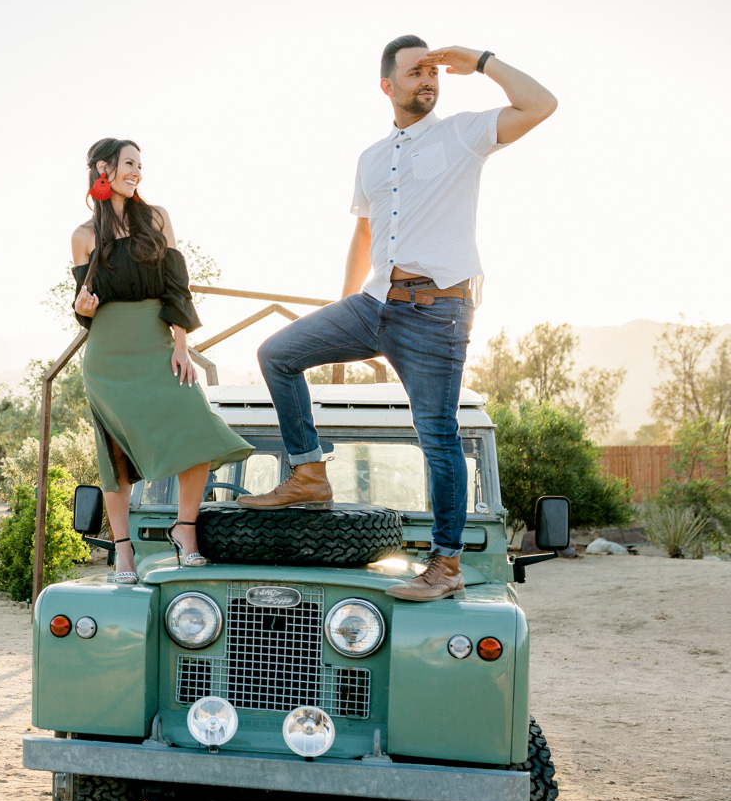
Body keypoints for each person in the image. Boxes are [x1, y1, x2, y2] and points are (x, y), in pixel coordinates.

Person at [238, 36, 557, 601]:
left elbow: (541, 104)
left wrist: (480, 62)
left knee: (438, 437)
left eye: (432, 71)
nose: (428, 79)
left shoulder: (463, 132)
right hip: (374, 303)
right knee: (277, 354)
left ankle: (446, 564)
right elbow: (363, 233)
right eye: (415, 72)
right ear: (388, 85)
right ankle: (309, 473)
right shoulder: (369, 157)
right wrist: (340, 302)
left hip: (438, 311)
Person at [72, 138, 252, 583]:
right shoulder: (83, 236)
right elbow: (82, 310)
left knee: (196, 428)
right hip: (107, 355)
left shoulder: (156, 219)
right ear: (103, 169)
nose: (137, 172)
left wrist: (181, 343)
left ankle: (185, 529)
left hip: (157, 341)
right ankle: (124, 551)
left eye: (139, 165)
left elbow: (177, 285)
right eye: (129, 164)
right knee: (115, 456)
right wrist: (83, 308)